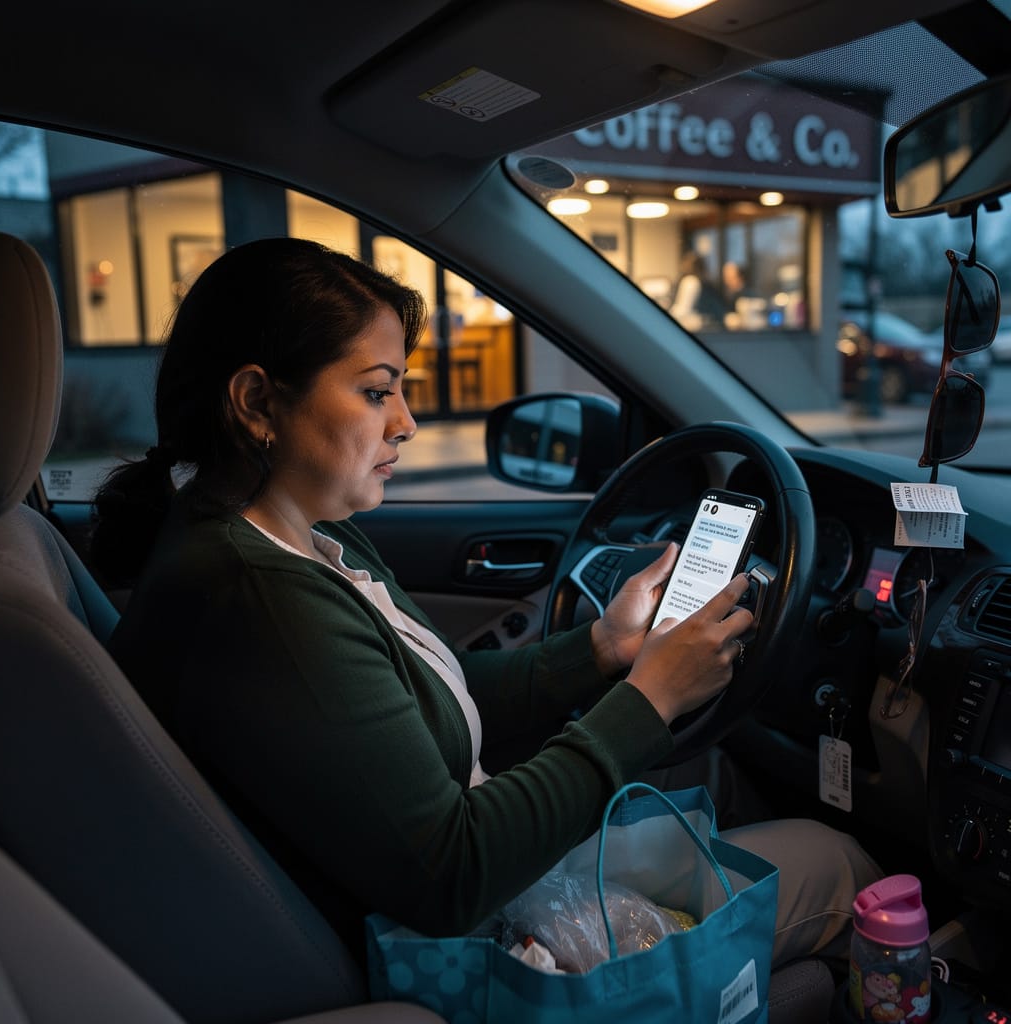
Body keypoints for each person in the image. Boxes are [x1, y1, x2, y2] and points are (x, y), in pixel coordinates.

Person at [92, 237, 879, 970]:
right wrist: (650, 698)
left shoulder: (295, 529)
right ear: (258, 402)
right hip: (461, 951)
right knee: (835, 860)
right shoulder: (255, 596)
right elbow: (454, 874)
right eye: (376, 392)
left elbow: (436, 703)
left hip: (467, 893)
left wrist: (604, 650)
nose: (404, 422)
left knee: (715, 772)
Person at [670, 249, 727, 330]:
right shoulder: (692, 281)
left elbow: (682, 310)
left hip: (698, 326)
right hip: (698, 326)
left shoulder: (691, 282)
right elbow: (683, 310)